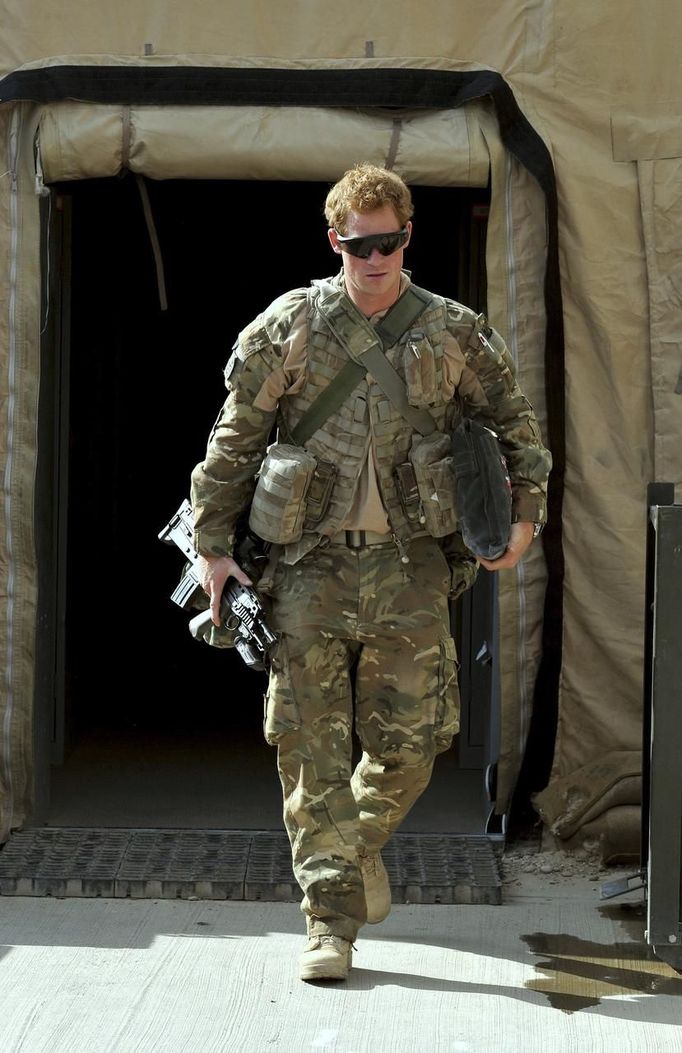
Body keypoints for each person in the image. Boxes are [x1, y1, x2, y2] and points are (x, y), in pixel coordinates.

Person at [190, 163, 551, 982]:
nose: (375, 258)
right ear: (335, 242)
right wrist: (214, 545)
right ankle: (329, 923)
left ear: (408, 238)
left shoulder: (455, 333)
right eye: (360, 245)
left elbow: (517, 430)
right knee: (308, 746)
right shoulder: (292, 327)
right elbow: (234, 440)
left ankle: (348, 854)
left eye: (388, 243)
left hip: (411, 568)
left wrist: (523, 518)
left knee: (413, 746)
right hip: (307, 571)